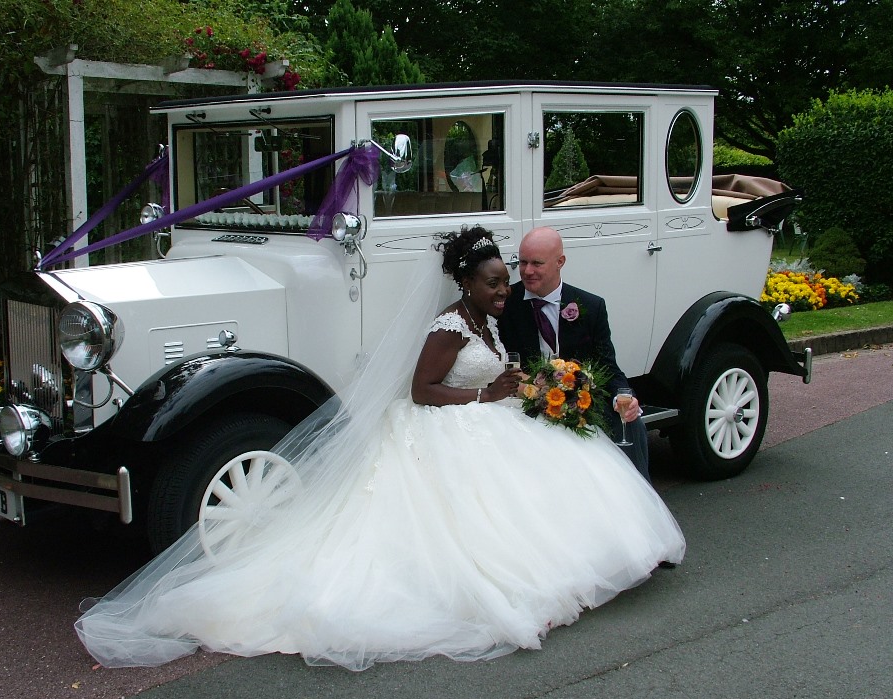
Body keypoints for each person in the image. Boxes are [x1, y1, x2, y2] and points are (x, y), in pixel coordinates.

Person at [75, 225, 684, 671]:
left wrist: (520, 387)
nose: (507, 288)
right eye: (496, 280)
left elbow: (513, 368)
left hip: (491, 416)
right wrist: (484, 397)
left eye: (511, 278)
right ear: (468, 282)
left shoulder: (490, 322)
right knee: (461, 523)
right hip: (448, 426)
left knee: (548, 481)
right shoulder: (449, 326)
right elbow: (421, 390)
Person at [498, 227, 651, 479]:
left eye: (537, 263)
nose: (527, 271)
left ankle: (640, 500)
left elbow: (607, 365)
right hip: (525, 403)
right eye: (522, 262)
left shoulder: (591, 306)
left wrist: (623, 399)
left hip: (580, 403)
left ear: (560, 262)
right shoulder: (507, 305)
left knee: (630, 424)